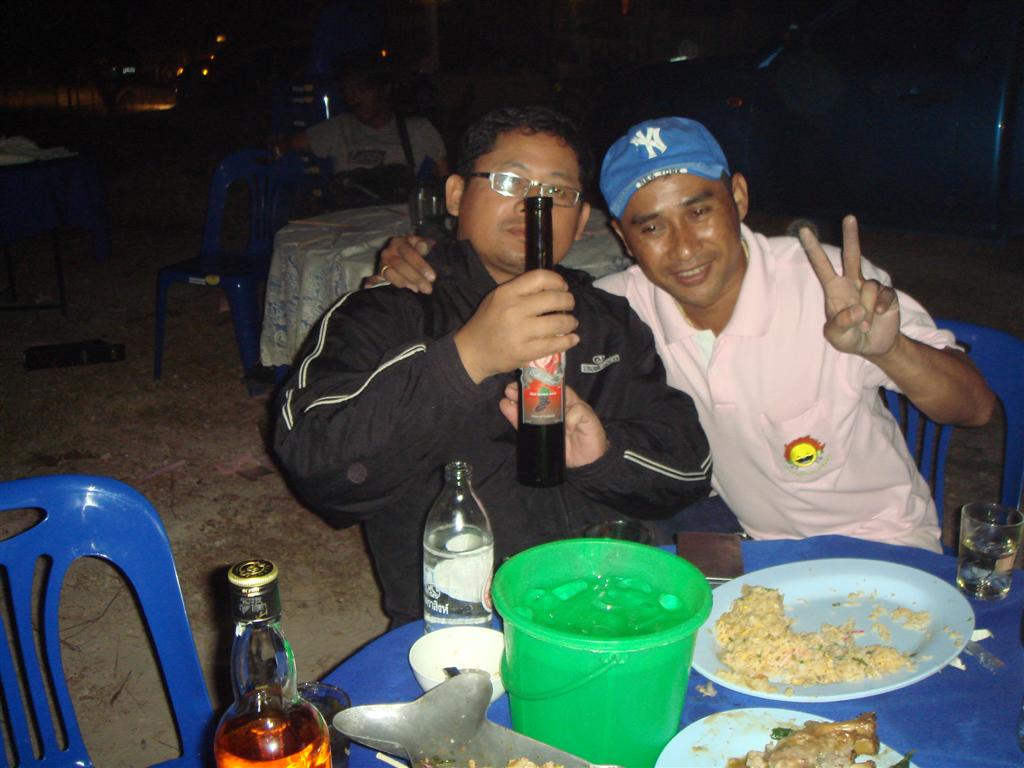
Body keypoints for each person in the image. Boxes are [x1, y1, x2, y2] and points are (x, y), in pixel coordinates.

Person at [375, 116, 995, 553]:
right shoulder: (619, 307)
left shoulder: (827, 284)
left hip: (883, 545)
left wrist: (892, 349)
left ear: (739, 198)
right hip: (745, 546)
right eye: (652, 227)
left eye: (699, 211)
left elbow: (975, 409)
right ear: (623, 239)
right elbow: (503, 289)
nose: (684, 248)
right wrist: (424, 258)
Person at [272, 107, 712, 626]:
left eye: (557, 191)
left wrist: (603, 455)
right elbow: (319, 469)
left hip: (608, 606)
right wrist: (467, 358)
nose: (533, 204)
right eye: (509, 181)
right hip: (460, 620)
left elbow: (690, 471)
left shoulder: (607, 320)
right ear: (456, 195)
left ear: (580, 220)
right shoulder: (388, 310)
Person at [271, 53, 449, 179]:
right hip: (348, 215)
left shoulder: (418, 130)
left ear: (385, 90)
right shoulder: (338, 128)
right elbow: (286, 144)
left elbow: (447, 183)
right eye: (348, 91)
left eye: (362, 89)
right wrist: (278, 148)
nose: (355, 98)